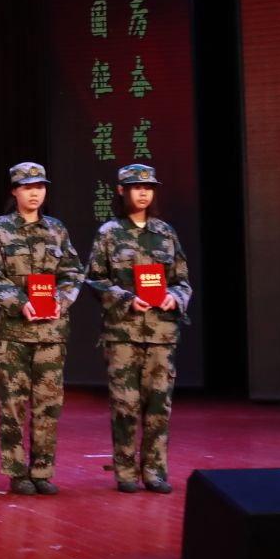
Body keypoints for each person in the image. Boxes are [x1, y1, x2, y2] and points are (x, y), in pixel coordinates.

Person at [83, 164, 192, 494]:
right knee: (125, 404)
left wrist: (175, 298)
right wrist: (127, 299)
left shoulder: (165, 233)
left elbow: (182, 280)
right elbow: (95, 279)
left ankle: (155, 470)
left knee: (159, 405)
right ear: (122, 191)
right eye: (136, 187)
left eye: (148, 187)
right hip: (123, 333)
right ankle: (126, 469)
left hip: (161, 333)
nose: (143, 193)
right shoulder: (109, 233)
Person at [0, 162, 84, 496]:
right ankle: (16, 472)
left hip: (51, 331)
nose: (35, 193)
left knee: (48, 403)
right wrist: (18, 301)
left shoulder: (57, 229)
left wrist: (59, 301)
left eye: (40, 186)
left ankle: (42, 470)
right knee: (12, 404)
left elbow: (73, 272)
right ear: (15, 191)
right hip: (12, 331)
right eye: (27, 187)